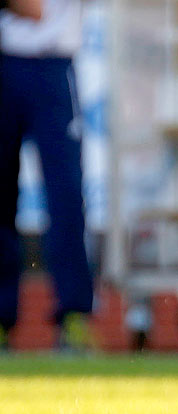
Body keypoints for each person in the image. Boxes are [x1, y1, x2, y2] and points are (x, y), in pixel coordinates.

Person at [0, 0, 94, 351]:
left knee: (66, 196)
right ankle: (2, 316)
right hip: (6, 61)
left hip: (54, 63)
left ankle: (73, 315)